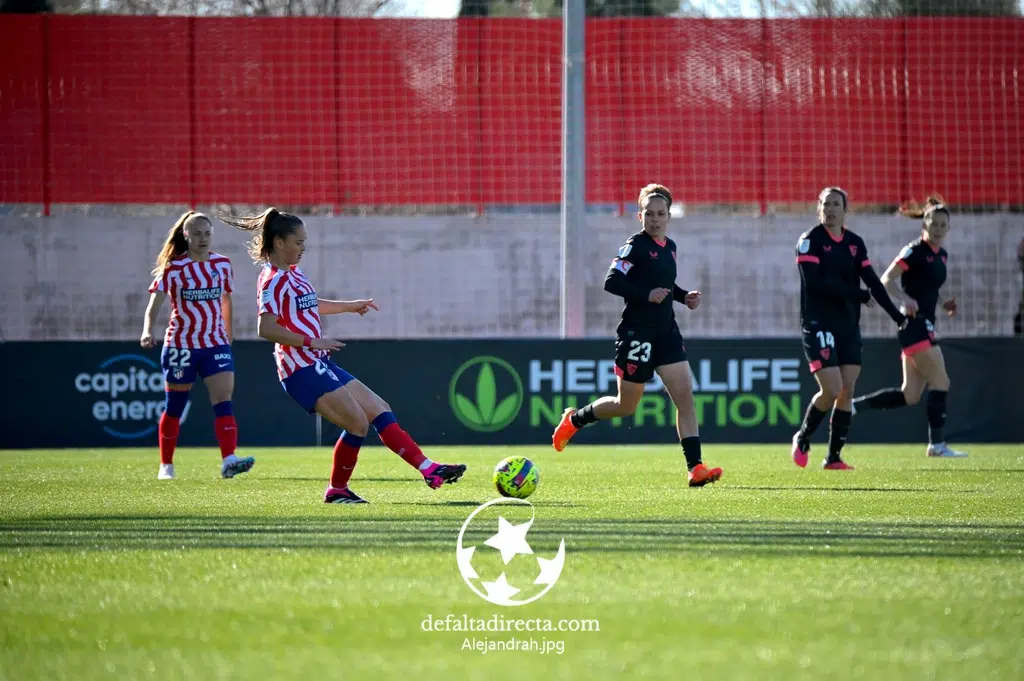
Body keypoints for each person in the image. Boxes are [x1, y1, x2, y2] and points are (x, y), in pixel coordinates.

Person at [221, 208, 466, 504]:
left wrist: (350, 306)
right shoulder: (273, 281)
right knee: (358, 424)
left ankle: (429, 469)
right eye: (298, 242)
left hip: (319, 362)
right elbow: (266, 328)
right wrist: (310, 341)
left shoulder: (293, 274)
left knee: (378, 407)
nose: (303, 248)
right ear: (279, 242)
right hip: (300, 369)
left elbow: (310, 304)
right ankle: (337, 490)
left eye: (304, 242)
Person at [550, 184, 723, 487]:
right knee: (626, 406)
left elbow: (665, 286)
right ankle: (575, 419)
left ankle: (695, 468)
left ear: (669, 216)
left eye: (661, 214)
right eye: (649, 214)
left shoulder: (670, 247)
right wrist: (645, 295)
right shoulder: (635, 245)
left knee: (686, 400)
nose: (655, 219)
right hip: (636, 335)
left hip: (666, 333)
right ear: (640, 216)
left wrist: (684, 297)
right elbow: (611, 281)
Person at [791, 187, 908, 470]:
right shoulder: (810, 241)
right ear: (819, 209)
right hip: (818, 324)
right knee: (830, 388)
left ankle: (833, 457)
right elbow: (815, 283)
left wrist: (896, 316)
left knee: (847, 389)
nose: (830, 209)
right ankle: (804, 436)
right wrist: (858, 295)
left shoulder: (854, 243)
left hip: (847, 326)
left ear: (845, 209)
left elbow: (873, 282)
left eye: (835, 204)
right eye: (825, 204)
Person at [141, 210, 255, 480]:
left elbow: (227, 299)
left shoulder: (222, 265)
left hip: (215, 344)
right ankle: (166, 465)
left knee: (224, 400)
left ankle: (229, 459)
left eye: (207, 233)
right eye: (197, 234)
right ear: (186, 235)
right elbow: (154, 305)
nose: (203, 239)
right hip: (181, 345)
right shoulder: (173, 269)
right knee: (175, 406)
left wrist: (229, 333)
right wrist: (147, 331)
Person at [851, 197, 967, 457]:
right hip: (914, 326)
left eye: (942, 225)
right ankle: (936, 445)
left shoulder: (942, 256)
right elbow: (886, 280)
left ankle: (852, 406)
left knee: (910, 395)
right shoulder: (914, 251)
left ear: (948, 228)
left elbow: (927, 288)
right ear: (924, 225)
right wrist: (904, 299)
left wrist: (943, 301)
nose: (937, 229)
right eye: (933, 223)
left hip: (924, 324)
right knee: (941, 381)